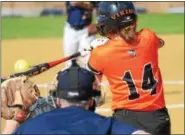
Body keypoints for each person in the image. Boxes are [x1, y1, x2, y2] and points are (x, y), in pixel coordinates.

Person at [87, 2, 171, 135]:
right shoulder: (148, 36)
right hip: (159, 120)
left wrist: (94, 51)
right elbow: (159, 43)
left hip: (125, 122)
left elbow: (94, 91)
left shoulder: (101, 53)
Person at [2, 61, 149, 134]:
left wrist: (16, 116)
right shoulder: (107, 125)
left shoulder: (30, 127)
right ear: (92, 101)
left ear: (58, 99)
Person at [63, 2, 98, 67]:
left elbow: (99, 5)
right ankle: (70, 76)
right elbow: (74, 2)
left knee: (87, 61)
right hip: (71, 30)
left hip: (87, 30)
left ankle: (86, 76)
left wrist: (98, 24)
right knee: (69, 61)